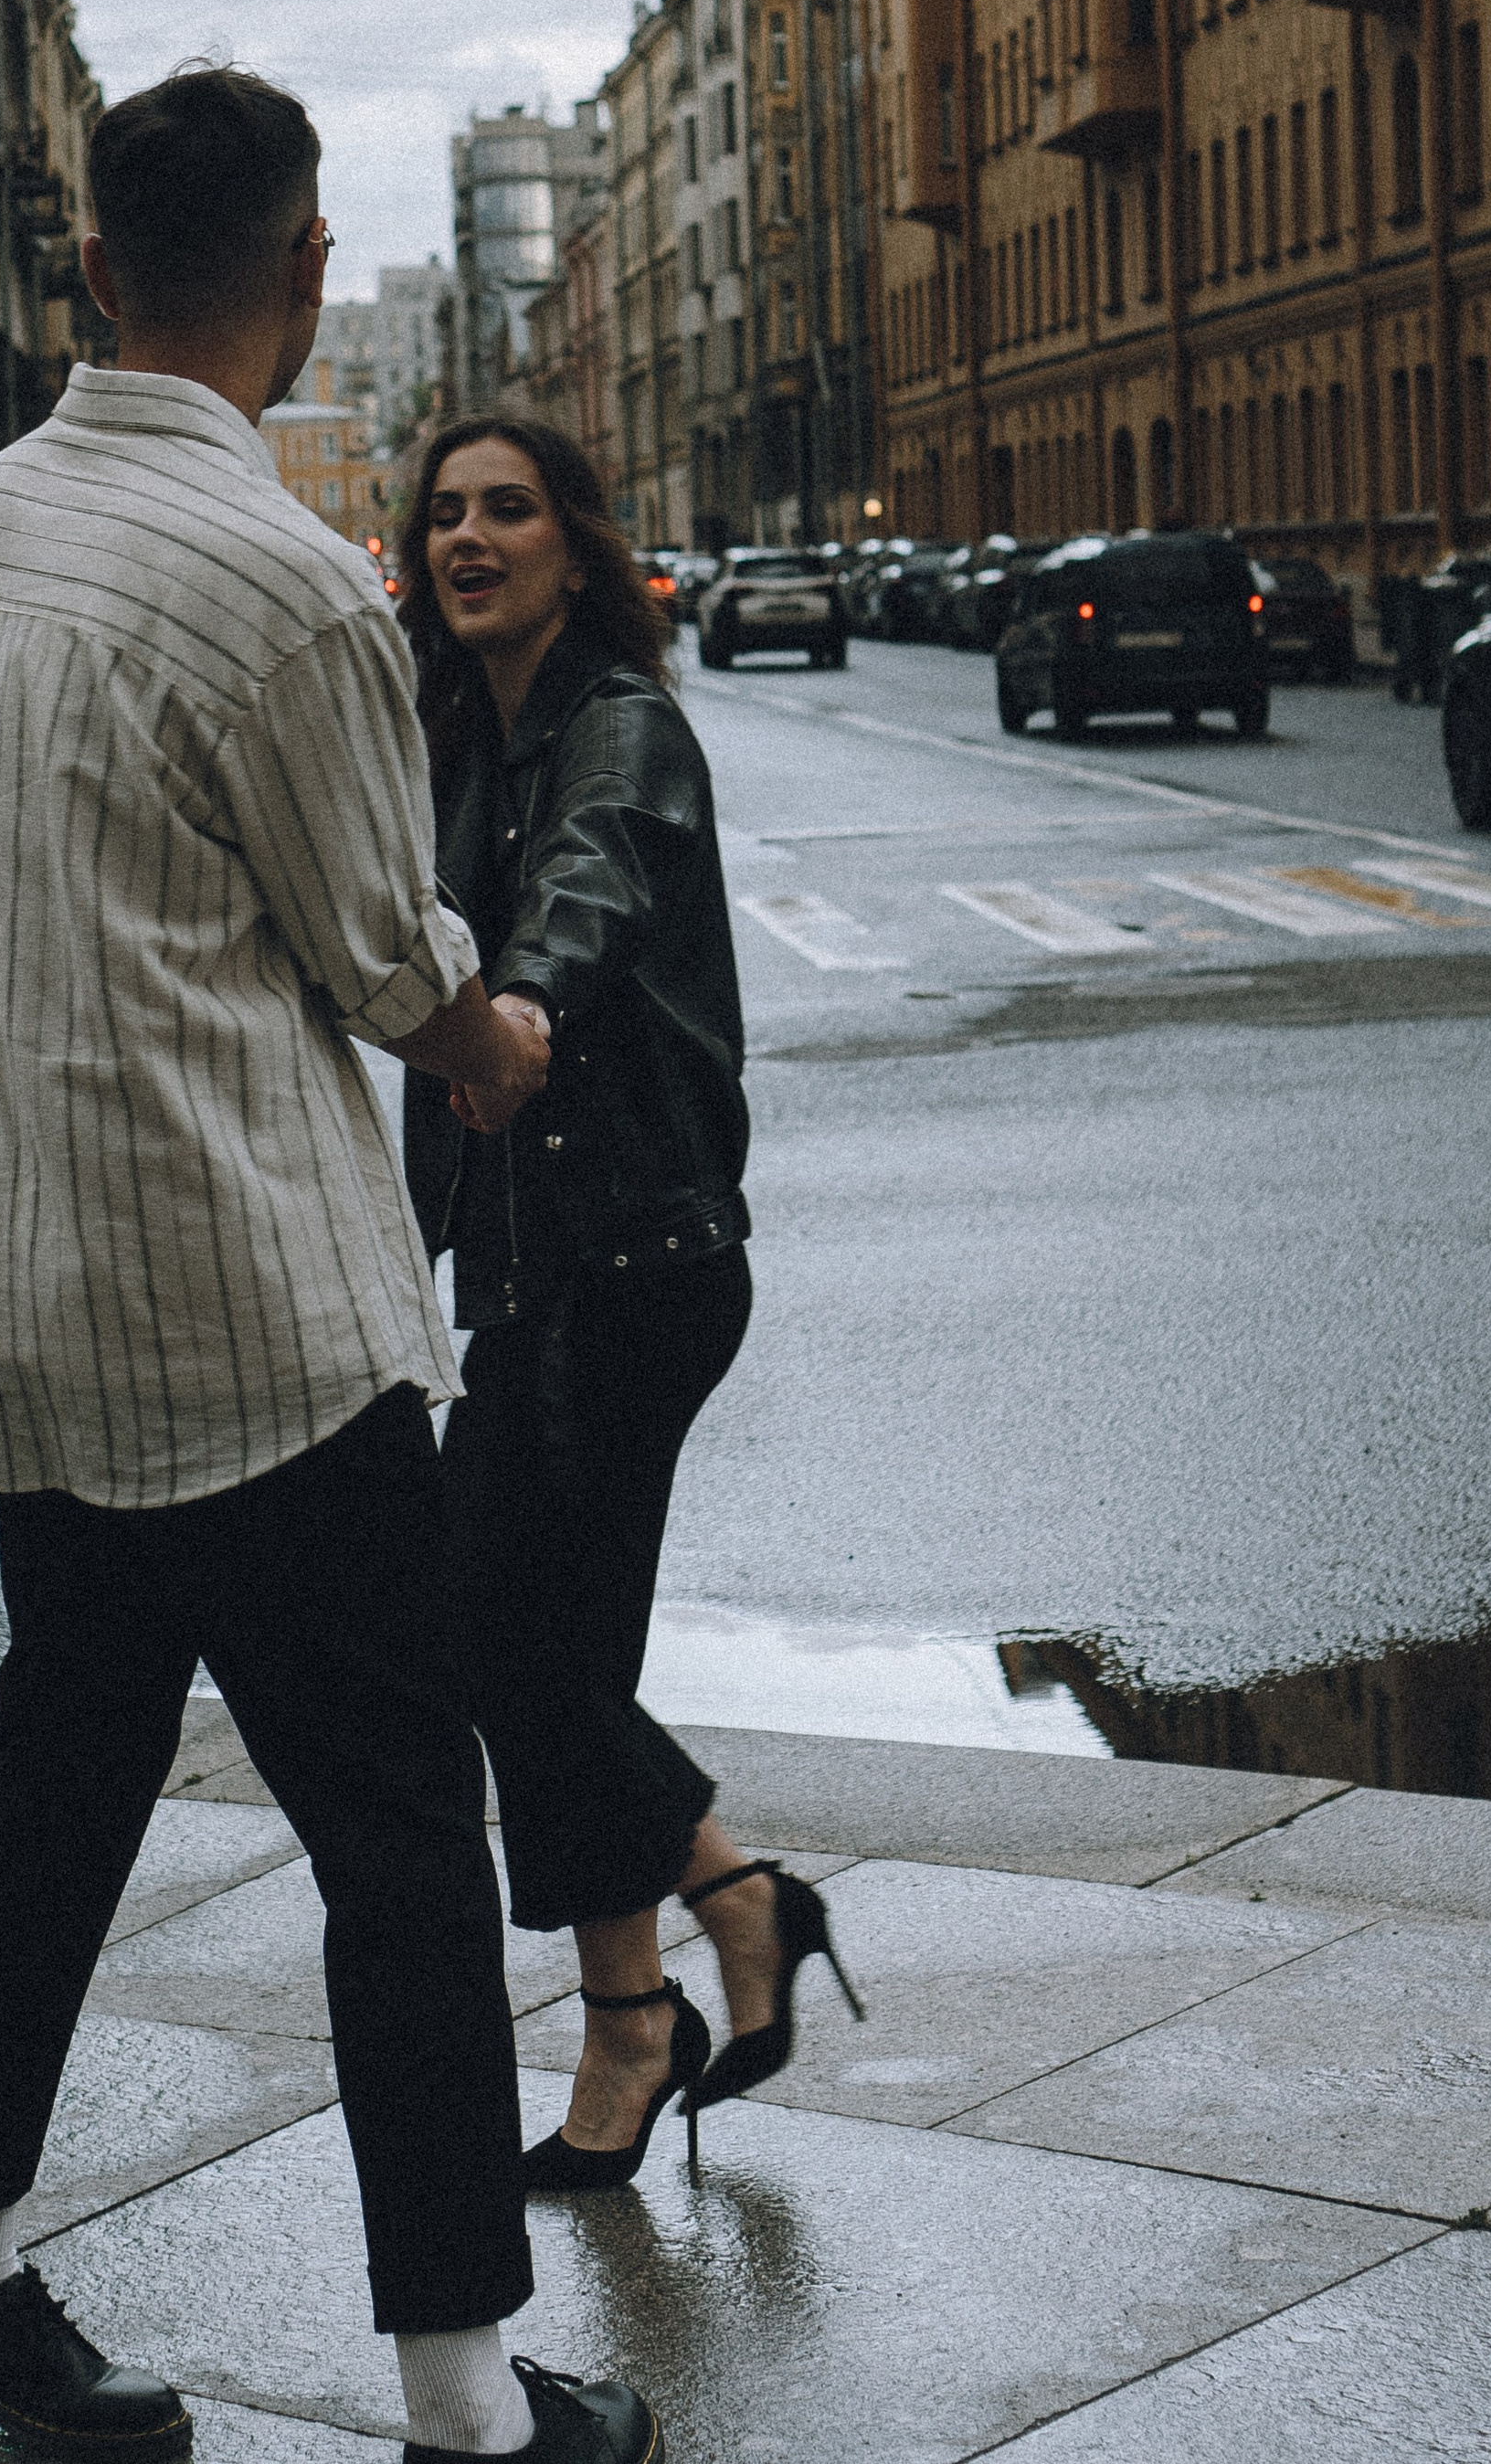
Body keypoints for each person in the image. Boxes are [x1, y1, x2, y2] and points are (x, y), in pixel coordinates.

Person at [0, 69, 661, 2464]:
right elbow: (378, 958)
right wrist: (500, 1039)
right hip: (246, 1324)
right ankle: (462, 2400)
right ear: (312, 275)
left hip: (35, 1299)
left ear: (93, 273)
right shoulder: (295, 590)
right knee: (409, 1835)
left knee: (67, 1781)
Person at [397, 419, 860, 2195]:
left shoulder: (620, 731)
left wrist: (512, 1018)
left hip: (639, 1262)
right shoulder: (462, 737)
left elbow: (581, 894)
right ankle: (668, 1971)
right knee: (535, 1658)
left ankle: (680, 1966)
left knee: (510, 1650)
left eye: (504, 508)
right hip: (527, 1270)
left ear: (573, 547)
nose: (467, 536)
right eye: (441, 512)